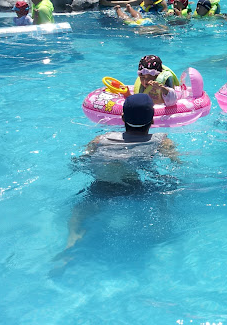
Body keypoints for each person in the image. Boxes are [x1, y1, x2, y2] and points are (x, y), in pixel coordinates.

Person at [65, 93, 179, 250]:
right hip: (134, 187)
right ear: (153, 120)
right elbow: (177, 163)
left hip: (102, 185)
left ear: (123, 118)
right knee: (167, 190)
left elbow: (79, 161)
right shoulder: (162, 141)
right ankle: (160, 234)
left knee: (80, 210)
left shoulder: (100, 140)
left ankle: (73, 237)